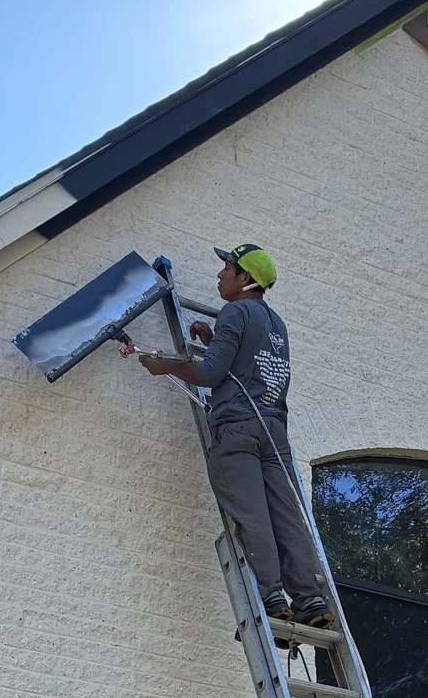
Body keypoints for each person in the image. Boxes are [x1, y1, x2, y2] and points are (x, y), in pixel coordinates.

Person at [131, 244, 332, 628]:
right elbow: (247, 365)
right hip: (273, 432)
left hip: (237, 428)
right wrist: (214, 339)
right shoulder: (276, 325)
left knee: (251, 513)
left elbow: (210, 375)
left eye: (228, 269)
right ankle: (311, 601)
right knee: (287, 517)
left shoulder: (235, 311)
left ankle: (272, 596)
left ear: (246, 279)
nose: (221, 275)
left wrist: (162, 367)